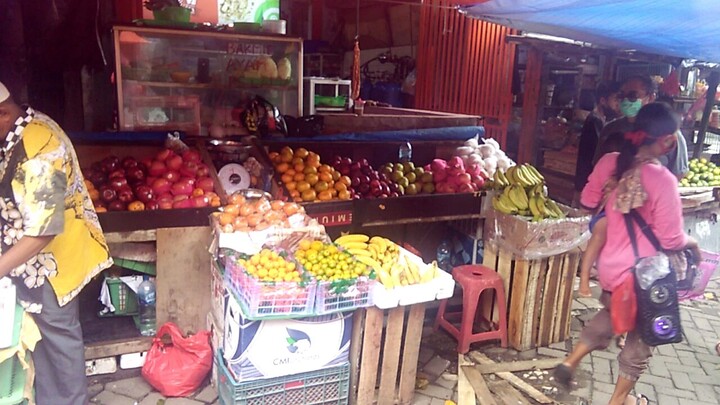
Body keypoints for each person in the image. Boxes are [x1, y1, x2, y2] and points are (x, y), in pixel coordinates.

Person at [554, 102, 702, 405]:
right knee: (643, 338)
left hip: (610, 271)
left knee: (612, 315)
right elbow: (671, 239)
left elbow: (587, 202)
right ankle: (619, 401)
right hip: (644, 277)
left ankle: (570, 361)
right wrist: (694, 244)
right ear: (669, 141)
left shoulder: (610, 162)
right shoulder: (663, 180)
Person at [0, 81, 112, 404]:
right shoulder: (20, 128)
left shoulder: (39, 145)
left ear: (4, 113)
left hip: (52, 267)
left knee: (60, 344)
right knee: (41, 343)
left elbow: (44, 230)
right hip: (30, 263)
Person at [594, 76, 689, 179]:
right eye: (622, 95)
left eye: (633, 95)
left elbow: (678, 173)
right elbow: (597, 167)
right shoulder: (610, 129)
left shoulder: (669, 133)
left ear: (651, 97)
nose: (626, 100)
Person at [574, 81, 622, 206]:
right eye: (616, 99)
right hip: (587, 181)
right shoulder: (595, 121)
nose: (619, 104)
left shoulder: (600, 121)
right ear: (603, 101)